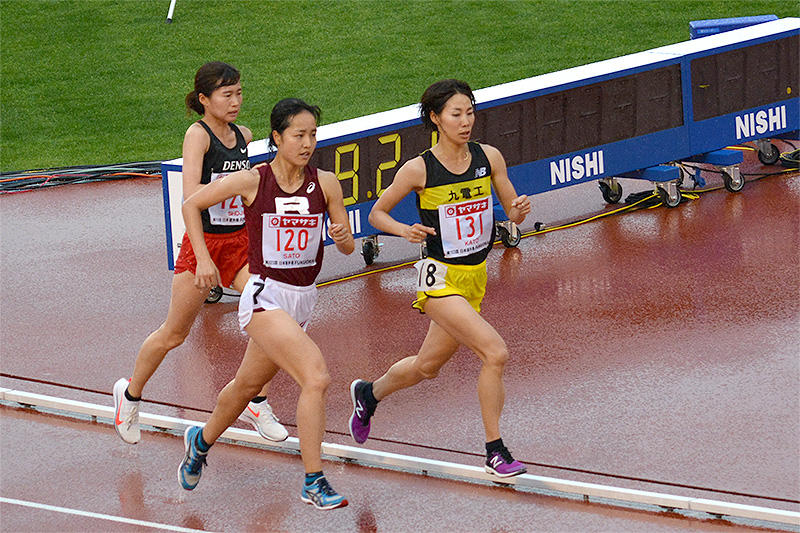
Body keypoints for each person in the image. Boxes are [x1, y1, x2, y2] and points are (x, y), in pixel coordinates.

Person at [348, 79, 532, 478]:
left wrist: (518, 210)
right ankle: (495, 450)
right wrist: (404, 230)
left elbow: (512, 212)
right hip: (438, 281)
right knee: (494, 352)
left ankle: (369, 393)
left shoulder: (489, 158)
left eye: (469, 112)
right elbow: (375, 215)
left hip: (474, 278)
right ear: (435, 118)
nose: (465, 122)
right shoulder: (419, 168)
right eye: (456, 114)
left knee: (426, 367)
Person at [177, 98, 354, 510]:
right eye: (299, 135)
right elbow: (191, 204)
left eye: (313, 134)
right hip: (264, 296)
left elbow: (344, 246)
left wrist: (343, 236)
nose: (308, 142)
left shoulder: (326, 183)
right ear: (277, 138)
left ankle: (199, 442)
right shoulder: (254, 180)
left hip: (303, 301)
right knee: (316, 376)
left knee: (246, 387)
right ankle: (314, 480)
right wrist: (203, 258)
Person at [113, 62, 287, 446]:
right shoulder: (199, 135)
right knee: (174, 333)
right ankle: (129, 395)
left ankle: (256, 399)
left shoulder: (244, 135)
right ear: (205, 99)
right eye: (227, 95)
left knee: (273, 313)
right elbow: (190, 198)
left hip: (239, 243)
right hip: (204, 244)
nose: (236, 101)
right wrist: (204, 258)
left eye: (239, 93)